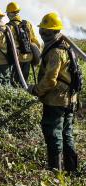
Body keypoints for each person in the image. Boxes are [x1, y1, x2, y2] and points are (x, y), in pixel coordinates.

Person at [27, 12, 79, 172]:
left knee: (53, 133)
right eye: (42, 31)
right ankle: (72, 170)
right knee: (66, 133)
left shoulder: (56, 52)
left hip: (56, 100)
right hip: (70, 99)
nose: (42, 34)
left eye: (45, 31)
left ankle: (55, 171)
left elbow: (50, 80)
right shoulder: (66, 46)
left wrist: (36, 90)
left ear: (52, 32)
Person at [6, 1, 41, 84]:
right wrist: (35, 55)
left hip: (15, 58)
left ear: (10, 13)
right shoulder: (27, 24)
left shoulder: (8, 27)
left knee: (14, 82)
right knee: (24, 81)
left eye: (7, 13)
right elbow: (35, 41)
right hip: (28, 57)